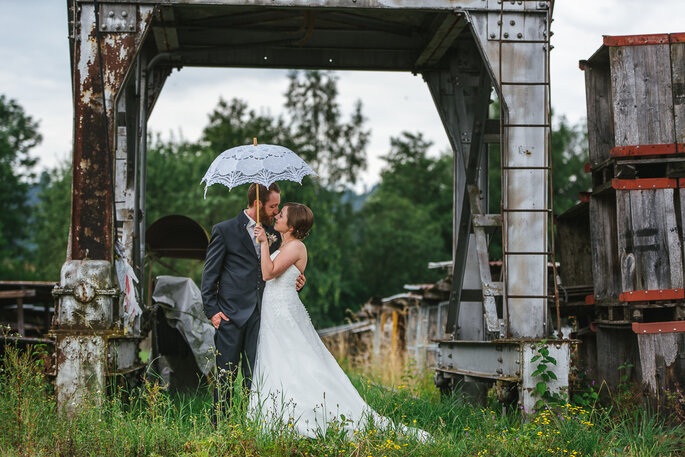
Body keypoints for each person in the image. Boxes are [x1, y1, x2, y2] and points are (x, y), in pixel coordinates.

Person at [252, 203, 429, 440]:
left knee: (298, 359)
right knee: (276, 358)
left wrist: (264, 244)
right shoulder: (283, 244)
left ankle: (312, 411)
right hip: (273, 309)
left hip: (283, 310)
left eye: (281, 214)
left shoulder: (296, 246)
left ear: (292, 225)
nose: (276, 215)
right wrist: (267, 244)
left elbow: (268, 273)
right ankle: (276, 413)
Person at [201, 183, 305, 426]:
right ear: (258, 204)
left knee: (256, 377)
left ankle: (252, 424)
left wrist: (298, 280)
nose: (276, 211)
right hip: (229, 315)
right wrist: (213, 312)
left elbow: (282, 270)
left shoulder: (276, 235)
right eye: (273, 206)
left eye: (277, 206)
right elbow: (209, 275)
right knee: (225, 376)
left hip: (264, 316)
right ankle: (220, 427)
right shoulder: (224, 230)